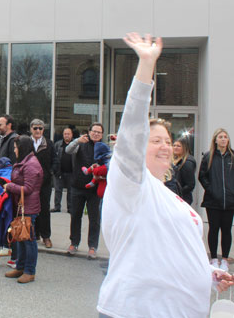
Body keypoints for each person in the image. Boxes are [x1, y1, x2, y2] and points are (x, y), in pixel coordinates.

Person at [97, 32, 234, 317]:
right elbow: (132, 128)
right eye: (155, 140)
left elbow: (170, 251)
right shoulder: (131, 184)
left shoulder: (168, 195)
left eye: (167, 141)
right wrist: (146, 67)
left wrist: (208, 273)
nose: (165, 146)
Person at [3, 135, 43, 284]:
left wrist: (9, 186)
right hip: (21, 206)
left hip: (28, 207)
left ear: (23, 148)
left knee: (29, 240)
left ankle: (29, 271)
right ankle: (20, 267)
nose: (14, 150)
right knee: (20, 237)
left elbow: (28, 188)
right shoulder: (25, 161)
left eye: (15, 147)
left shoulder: (31, 164)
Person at [65, 122, 104, 259]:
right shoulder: (81, 143)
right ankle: (74, 243)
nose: (96, 134)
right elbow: (68, 150)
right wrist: (77, 140)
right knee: (75, 216)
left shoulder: (103, 147)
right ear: (89, 131)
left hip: (95, 189)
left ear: (102, 135)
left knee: (94, 219)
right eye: (94, 131)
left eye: (99, 132)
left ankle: (92, 246)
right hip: (77, 186)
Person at [199, 128, 234, 272]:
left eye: (225, 137)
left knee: (226, 230)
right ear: (215, 139)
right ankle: (213, 258)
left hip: (230, 202)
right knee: (213, 229)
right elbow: (202, 176)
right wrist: (211, 189)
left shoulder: (232, 157)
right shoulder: (208, 156)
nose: (223, 139)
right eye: (221, 137)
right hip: (213, 201)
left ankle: (224, 259)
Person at [30, 119, 57, 248]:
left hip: (45, 183)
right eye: (35, 128)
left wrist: (50, 172)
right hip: (29, 183)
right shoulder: (26, 143)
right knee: (31, 209)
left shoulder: (49, 144)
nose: (38, 131)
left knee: (44, 209)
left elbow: (55, 160)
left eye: (40, 128)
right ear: (31, 129)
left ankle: (46, 236)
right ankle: (34, 234)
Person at [52, 127, 74, 213]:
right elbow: (54, 157)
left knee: (71, 191)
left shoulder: (75, 145)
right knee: (58, 190)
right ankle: (57, 207)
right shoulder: (58, 144)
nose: (67, 135)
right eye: (65, 134)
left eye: (68, 134)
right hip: (59, 172)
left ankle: (70, 208)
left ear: (72, 135)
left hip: (71, 172)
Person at [172, 136, 196, 204]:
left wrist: (177, 193)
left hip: (182, 199)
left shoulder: (187, 163)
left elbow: (190, 184)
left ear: (184, 148)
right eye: (174, 145)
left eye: (178, 146)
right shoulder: (173, 161)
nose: (175, 147)